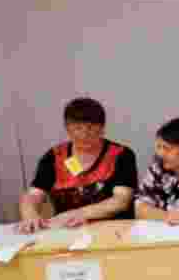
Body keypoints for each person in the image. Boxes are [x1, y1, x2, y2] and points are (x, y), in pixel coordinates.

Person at [17, 97, 138, 233]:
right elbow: (33, 194)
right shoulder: (54, 156)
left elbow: (121, 200)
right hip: (68, 231)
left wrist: (79, 213)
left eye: (91, 128)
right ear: (67, 129)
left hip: (114, 230)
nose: (84, 134)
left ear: (102, 128)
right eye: (77, 128)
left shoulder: (121, 155)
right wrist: (30, 215)